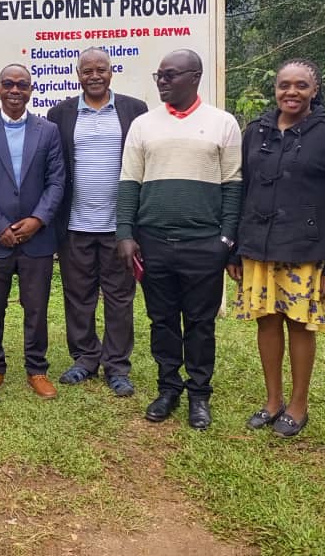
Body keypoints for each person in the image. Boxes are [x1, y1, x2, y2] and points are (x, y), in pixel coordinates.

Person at [116, 49, 241, 429]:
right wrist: (125, 234)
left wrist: (226, 240)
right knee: (162, 320)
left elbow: (233, 185)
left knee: (201, 322)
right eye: (159, 76)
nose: (162, 82)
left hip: (204, 243)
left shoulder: (223, 123)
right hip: (153, 241)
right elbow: (128, 184)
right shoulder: (143, 125)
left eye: (170, 75)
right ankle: (168, 388)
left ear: (195, 77)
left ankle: (199, 395)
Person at [227, 59, 325, 438]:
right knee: (267, 320)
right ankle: (272, 400)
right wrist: (234, 249)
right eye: (284, 85)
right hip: (258, 245)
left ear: (315, 90)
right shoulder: (255, 131)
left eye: (301, 85)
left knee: (299, 324)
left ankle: (298, 403)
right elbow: (240, 192)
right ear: (275, 89)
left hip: (306, 248)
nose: (291, 92)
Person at [47, 48, 148, 397]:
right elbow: (56, 169)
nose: (94, 75)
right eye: (87, 70)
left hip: (119, 227)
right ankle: (85, 359)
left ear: (111, 72)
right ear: (78, 74)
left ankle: (117, 366)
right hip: (74, 224)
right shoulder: (59, 113)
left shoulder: (135, 110)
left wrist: (132, 226)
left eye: (100, 69)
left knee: (120, 297)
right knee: (78, 296)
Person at [0, 64, 65, 401]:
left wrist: (38, 220)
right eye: (8, 83)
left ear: (31, 90)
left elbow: (56, 181)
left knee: (36, 306)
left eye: (22, 85)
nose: (15, 90)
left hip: (37, 237)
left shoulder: (48, 131)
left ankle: (36, 369)